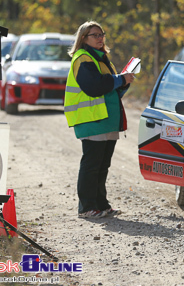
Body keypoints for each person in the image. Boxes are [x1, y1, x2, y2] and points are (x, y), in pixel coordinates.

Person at [64, 21, 135, 219]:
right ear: (83, 38)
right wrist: (120, 79)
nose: (100, 37)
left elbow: (110, 89)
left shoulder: (102, 59)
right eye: (94, 35)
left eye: (101, 34)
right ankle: (87, 207)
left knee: (103, 165)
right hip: (92, 120)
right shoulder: (83, 58)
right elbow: (94, 86)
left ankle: (101, 205)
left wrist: (124, 82)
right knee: (92, 164)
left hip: (106, 119)